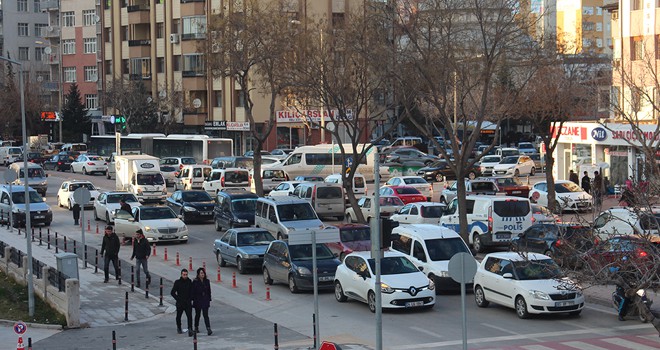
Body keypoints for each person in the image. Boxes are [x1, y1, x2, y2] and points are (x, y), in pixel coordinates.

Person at [171, 269, 194, 336]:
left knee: (189, 316)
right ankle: (179, 327)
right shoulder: (177, 282)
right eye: (184, 275)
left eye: (186, 275)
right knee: (178, 316)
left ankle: (190, 328)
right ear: (181, 275)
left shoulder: (189, 282)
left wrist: (190, 299)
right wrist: (178, 299)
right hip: (180, 302)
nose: (185, 276)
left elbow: (192, 292)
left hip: (187, 302)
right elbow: (172, 292)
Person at [191, 267, 213, 336]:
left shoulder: (207, 281)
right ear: (198, 274)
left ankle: (208, 328)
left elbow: (209, 291)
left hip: (205, 300)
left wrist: (209, 299)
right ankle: (196, 327)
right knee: (198, 314)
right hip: (198, 300)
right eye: (201, 273)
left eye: (203, 273)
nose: (202, 274)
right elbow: (193, 292)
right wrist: (193, 300)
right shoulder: (195, 282)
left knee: (205, 315)